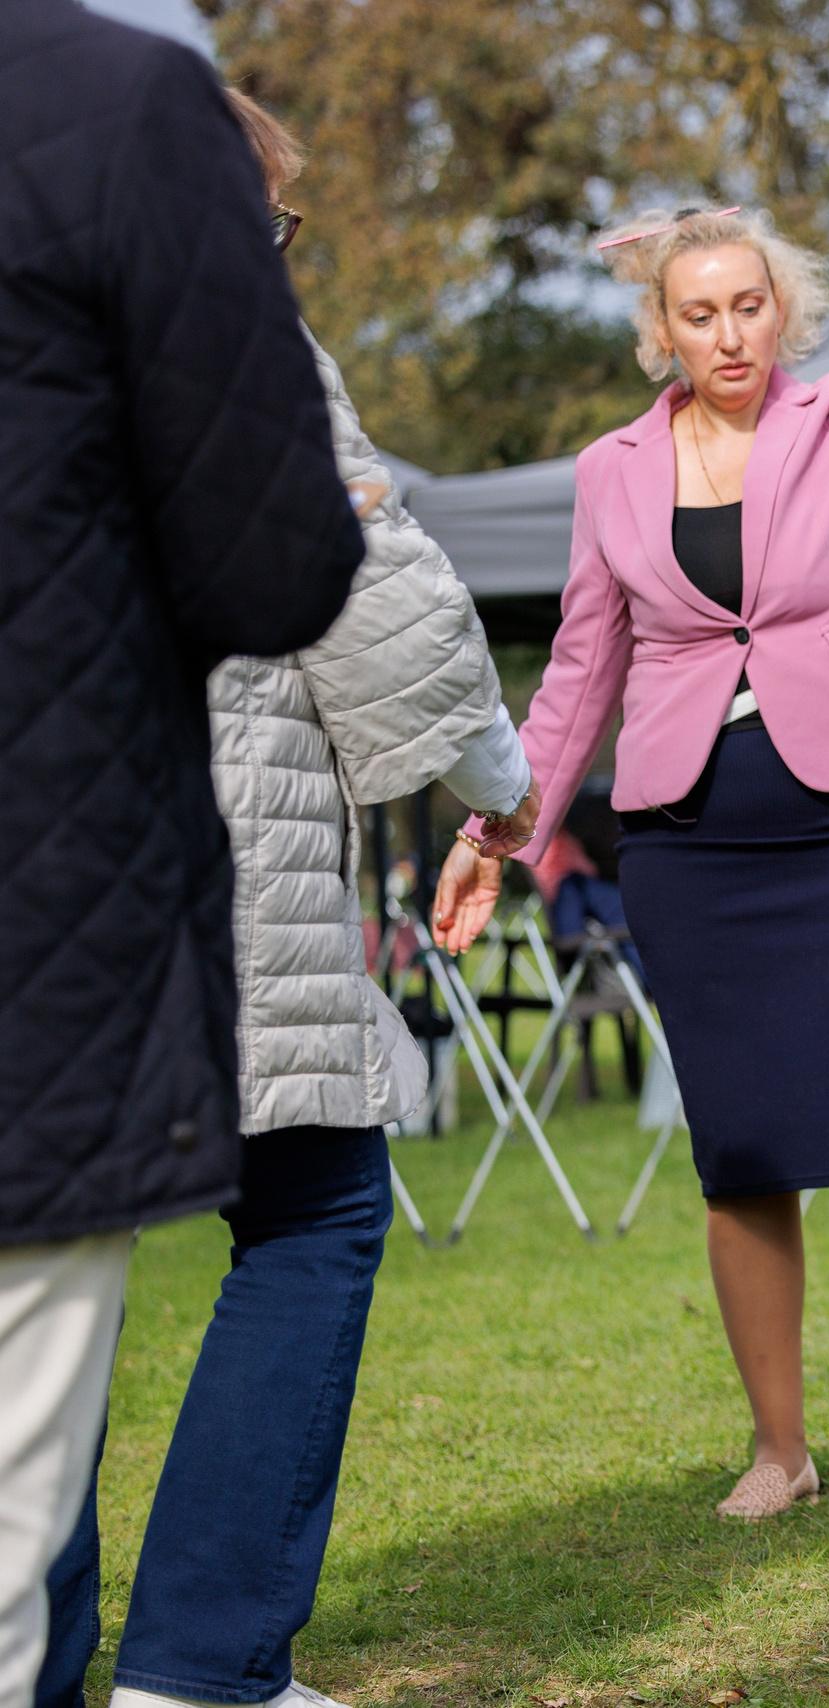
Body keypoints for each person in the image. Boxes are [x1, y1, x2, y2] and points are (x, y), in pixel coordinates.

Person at [433, 95, 829, 1529]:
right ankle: (779, 1449)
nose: (731, 334)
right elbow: (580, 675)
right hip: (692, 845)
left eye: (750, 306)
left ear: (783, 312)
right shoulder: (610, 473)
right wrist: (498, 834)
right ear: (664, 332)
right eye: (700, 315)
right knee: (742, 1150)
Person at [39, 94, 540, 1708]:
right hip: (201, 872)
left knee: (37, 1265)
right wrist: (505, 792)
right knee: (312, 1208)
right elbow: (374, 604)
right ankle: (203, 1665)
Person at [0, 5, 364, 1696]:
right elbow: (292, 572)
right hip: (77, 898)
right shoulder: (114, 113)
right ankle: (198, 1664)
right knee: (312, 1209)